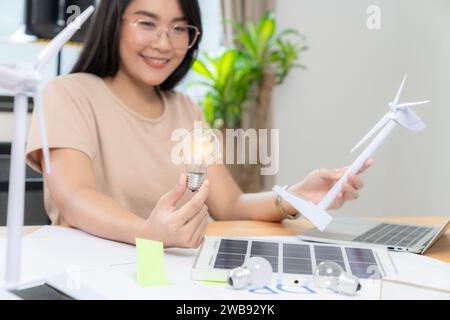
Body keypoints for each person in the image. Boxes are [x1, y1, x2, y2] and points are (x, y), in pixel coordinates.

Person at [26, 0, 371, 248]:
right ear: (113, 24)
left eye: (179, 28)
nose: (164, 42)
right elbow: (74, 197)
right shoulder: (66, 94)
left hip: (180, 271)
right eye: (147, 23)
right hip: (97, 268)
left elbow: (231, 206)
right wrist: (148, 233)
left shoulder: (186, 108)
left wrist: (295, 196)